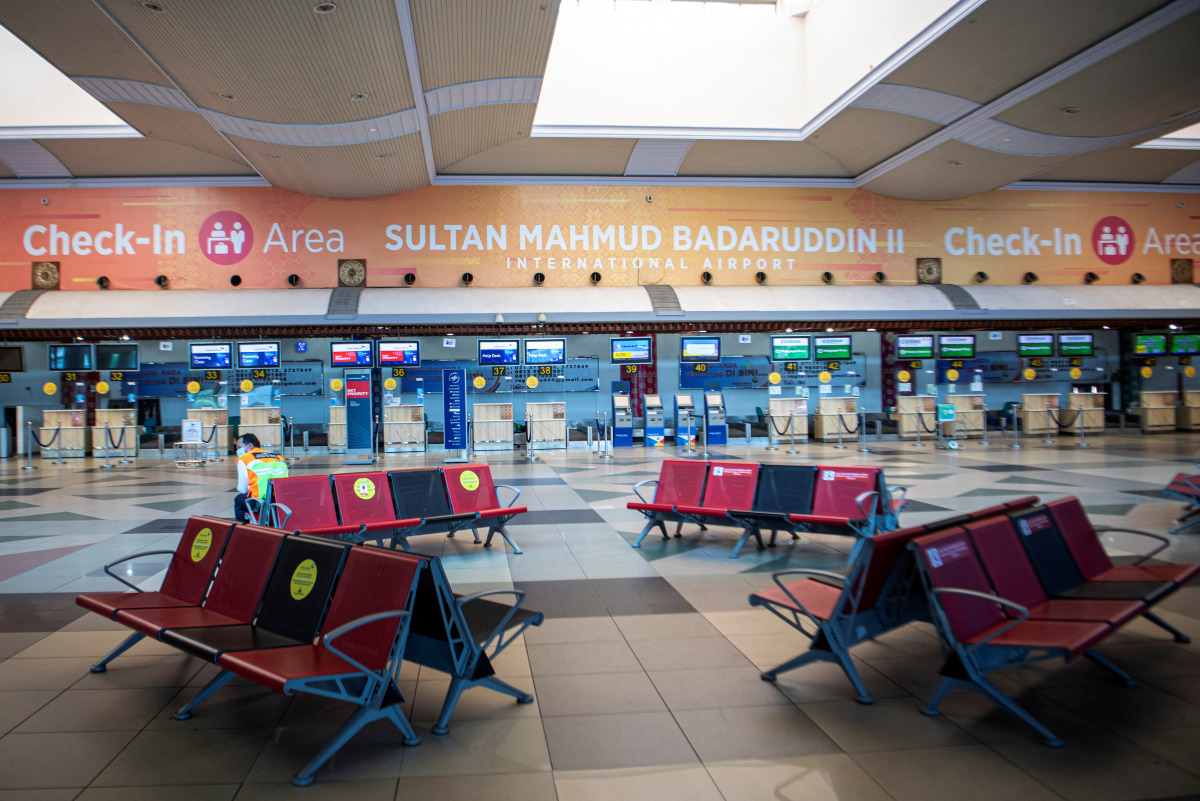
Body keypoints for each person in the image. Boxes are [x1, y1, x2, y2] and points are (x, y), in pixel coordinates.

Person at [233, 433, 289, 523]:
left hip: (259, 502)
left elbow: (243, 489)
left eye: (239, 447)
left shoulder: (245, 459)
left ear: (250, 445)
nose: (238, 451)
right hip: (281, 500)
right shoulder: (278, 458)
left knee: (238, 500)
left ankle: (242, 530)